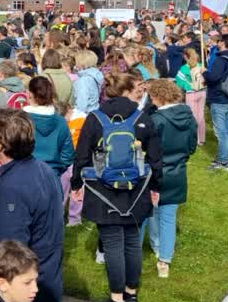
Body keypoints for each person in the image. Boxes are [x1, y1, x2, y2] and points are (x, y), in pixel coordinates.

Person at [71, 73, 162, 302]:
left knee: (112, 242)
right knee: (132, 240)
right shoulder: (142, 117)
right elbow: (155, 158)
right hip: (136, 188)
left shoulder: (94, 118)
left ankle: (116, 297)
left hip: (103, 189)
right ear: (127, 90)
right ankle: (131, 292)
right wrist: (155, 186)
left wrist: (76, 183)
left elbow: (81, 156)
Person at [0, 109, 64, 302]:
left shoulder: (13, 187)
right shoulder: (44, 170)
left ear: (0, 145)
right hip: (45, 278)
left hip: (22, 289)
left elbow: (10, 254)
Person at [143, 80, 196, 279]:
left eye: (151, 97)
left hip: (156, 171)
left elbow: (148, 148)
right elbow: (192, 146)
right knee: (168, 216)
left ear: (157, 96)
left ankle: (155, 247)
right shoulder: (189, 115)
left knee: (150, 211)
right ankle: (164, 258)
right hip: (177, 171)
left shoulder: (156, 120)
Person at [24, 77, 74, 177]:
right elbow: (67, 156)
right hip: (52, 175)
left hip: (26, 175)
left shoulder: (21, 120)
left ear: (29, 94)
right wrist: (57, 170)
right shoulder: (61, 121)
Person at [203, 35, 228, 172]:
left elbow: (214, 77)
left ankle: (223, 162)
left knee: (221, 133)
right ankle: (225, 158)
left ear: (223, 43)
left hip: (219, 98)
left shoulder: (221, 59)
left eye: (219, 41)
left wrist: (204, 73)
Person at [174, 48, 206, 146]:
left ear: (185, 56)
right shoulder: (201, 65)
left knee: (192, 116)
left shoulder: (184, 68)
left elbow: (179, 82)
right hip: (202, 92)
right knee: (201, 115)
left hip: (191, 93)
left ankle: (194, 139)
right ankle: (202, 138)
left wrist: (187, 86)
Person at [72, 50, 103, 114]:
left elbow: (81, 104)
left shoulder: (84, 80)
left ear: (81, 63)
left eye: (76, 62)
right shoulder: (95, 75)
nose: (75, 64)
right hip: (94, 111)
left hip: (85, 114)